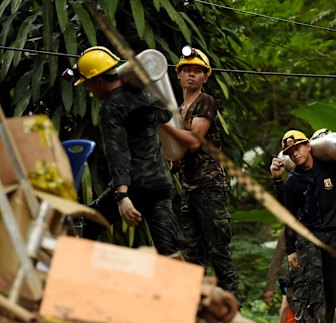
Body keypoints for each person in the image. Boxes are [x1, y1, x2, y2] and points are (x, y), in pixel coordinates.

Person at [69, 46, 183, 256]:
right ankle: (189, 288)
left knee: (89, 225)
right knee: (170, 250)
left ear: (99, 81)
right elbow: (166, 115)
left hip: (135, 185)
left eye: (88, 86)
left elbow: (118, 151)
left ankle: (82, 281)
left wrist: (122, 197)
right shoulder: (144, 96)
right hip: (159, 183)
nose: (90, 91)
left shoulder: (111, 107)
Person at [158, 46, 239, 300]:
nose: (192, 75)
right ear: (179, 75)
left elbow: (193, 141)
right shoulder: (178, 109)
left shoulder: (205, 102)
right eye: (187, 70)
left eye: (198, 71)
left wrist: (161, 123)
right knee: (191, 253)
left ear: (205, 77)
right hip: (190, 187)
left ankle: (231, 307)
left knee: (218, 249)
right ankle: (194, 308)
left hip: (209, 185)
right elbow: (177, 151)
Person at [270, 129, 336, 323]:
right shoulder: (293, 181)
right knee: (313, 281)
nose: (295, 154)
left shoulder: (331, 169)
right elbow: (288, 215)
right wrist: (291, 250)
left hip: (333, 235)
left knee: (330, 283)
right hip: (308, 237)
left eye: (297, 148)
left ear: (308, 146)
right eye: (290, 153)